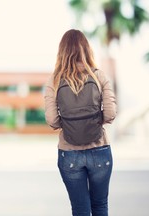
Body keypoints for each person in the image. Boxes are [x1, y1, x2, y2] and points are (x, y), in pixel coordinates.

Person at [44, 29, 117, 216]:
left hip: (69, 153)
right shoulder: (98, 76)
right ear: (86, 49)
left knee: (80, 209)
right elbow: (110, 114)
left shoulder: (55, 80)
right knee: (100, 205)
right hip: (99, 149)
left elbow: (52, 120)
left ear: (62, 51)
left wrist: (68, 123)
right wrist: (95, 120)